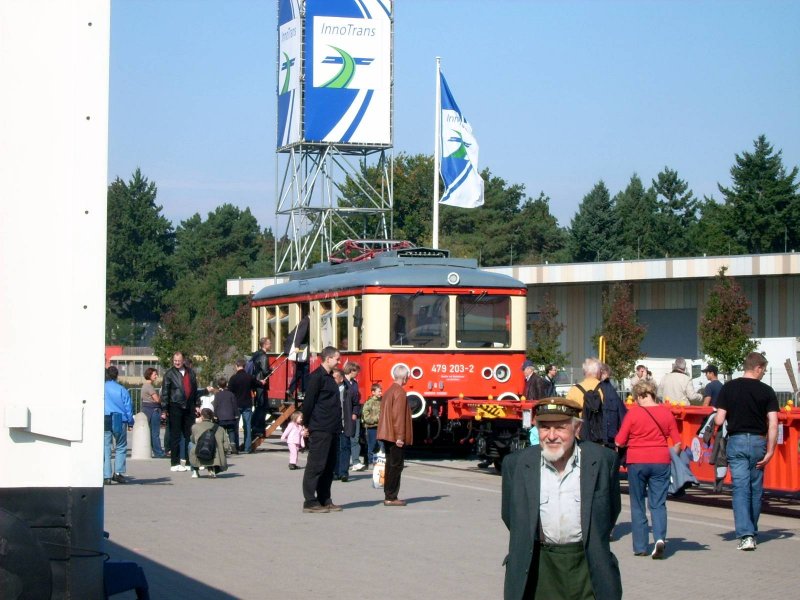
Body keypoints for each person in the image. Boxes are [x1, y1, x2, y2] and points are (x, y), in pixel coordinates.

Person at [501, 397, 622, 600]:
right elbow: (511, 517)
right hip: (539, 566)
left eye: (560, 428)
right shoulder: (516, 464)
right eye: (545, 427)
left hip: (588, 564)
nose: (551, 436)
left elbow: (610, 512)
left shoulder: (602, 461)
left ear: (576, 429)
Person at [714, 351, 779, 551]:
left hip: (737, 441)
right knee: (755, 489)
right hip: (759, 442)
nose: (763, 373)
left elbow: (718, 419)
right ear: (757, 367)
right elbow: (774, 424)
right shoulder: (767, 391)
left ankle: (746, 534)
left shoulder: (729, 387)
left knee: (740, 489)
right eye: (764, 370)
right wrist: (770, 451)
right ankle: (752, 530)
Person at [615, 380, 681, 559]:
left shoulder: (633, 413)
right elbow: (678, 442)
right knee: (658, 503)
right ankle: (660, 538)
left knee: (637, 504)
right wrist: (669, 454)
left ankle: (640, 546)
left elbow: (620, 441)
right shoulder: (666, 413)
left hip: (637, 461)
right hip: (661, 461)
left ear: (639, 396)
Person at [300, 346, 343, 513]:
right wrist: (306, 424)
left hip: (332, 428)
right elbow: (309, 403)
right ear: (328, 359)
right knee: (316, 465)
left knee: (329, 466)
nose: (339, 362)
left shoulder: (330, 378)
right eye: (337, 359)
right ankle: (310, 501)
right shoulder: (316, 377)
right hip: (320, 427)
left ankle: (325, 498)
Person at [377, 364, 413, 506]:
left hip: (387, 433)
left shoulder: (389, 391)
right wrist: (400, 436)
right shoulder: (400, 392)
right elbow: (398, 416)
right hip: (394, 435)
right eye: (408, 376)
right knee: (396, 465)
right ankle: (391, 497)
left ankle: (389, 495)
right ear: (404, 377)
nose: (408, 378)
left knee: (390, 464)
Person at [160, 351, 199, 473]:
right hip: (175, 406)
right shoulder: (169, 374)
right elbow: (165, 392)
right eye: (175, 360)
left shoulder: (191, 373)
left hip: (189, 407)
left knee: (189, 435)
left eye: (179, 360)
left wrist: (197, 405)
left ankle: (188, 461)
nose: (177, 362)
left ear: (183, 360)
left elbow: (195, 390)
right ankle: (175, 462)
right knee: (175, 435)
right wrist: (164, 409)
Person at [104, 366, 134, 485]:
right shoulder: (122, 389)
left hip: (105, 417)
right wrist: (130, 421)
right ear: (117, 375)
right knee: (121, 445)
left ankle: (106, 475)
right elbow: (128, 406)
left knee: (106, 446)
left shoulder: (102, 388)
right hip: (119, 419)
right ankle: (118, 473)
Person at [228, 357, 263, 453]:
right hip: (247, 404)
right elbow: (258, 384)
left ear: (236, 366)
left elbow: (229, 392)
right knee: (247, 426)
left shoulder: (233, 378)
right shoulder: (249, 377)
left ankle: (236, 447)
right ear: (245, 366)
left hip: (236, 405)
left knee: (235, 426)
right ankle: (248, 448)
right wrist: (262, 382)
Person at [189, 408, 231, 478]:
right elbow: (226, 446)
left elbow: (193, 440)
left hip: (200, 455)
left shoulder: (195, 427)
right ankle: (211, 469)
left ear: (202, 416)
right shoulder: (220, 428)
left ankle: (195, 470)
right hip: (216, 458)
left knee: (190, 445)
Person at [598, 362, 627, 449]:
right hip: (611, 435)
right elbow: (622, 416)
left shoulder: (600, 388)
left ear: (604, 373)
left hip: (601, 435)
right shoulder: (612, 390)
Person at [250, 337, 273, 443]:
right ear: (264, 345)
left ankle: (254, 425)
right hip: (261, 383)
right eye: (269, 343)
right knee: (262, 406)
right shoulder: (263, 356)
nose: (270, 344)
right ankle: (258, 428)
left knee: (259, 406)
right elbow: (265, 371)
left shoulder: (256, 354)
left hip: (256, 382)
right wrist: (270, 370)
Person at [140, 367, 166, 458]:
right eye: (155, 374)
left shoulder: (144, 386)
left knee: (151, 432)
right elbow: (157, 399)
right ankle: (159, 452)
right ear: (149, 375)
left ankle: (155, 451)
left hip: (147, 411)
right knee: (155, 433)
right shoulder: (149, 386)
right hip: (154, 411)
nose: (156, 376)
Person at [344, 362, 365, 471]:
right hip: (344, 414)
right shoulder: (343, 382)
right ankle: (344, 462)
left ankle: (356, 461)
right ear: (351, 370)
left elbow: (356, 401)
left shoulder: (354, 383)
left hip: (353, 414)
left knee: (355, 438)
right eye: (356, 371)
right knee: (344, 439)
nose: (357, 374)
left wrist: (355, 413)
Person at [332, 368, 352, 482]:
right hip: (334, 423)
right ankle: (336, 472)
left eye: (335, 377)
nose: (333, 380)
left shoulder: (348, 390)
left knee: (345, 447)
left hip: (345, 423)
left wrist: (354, 414)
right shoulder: (330, 390)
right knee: (335, 448)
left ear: (341, 378)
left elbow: (355, 403)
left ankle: (344, 472)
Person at [285, 312, 310, 399]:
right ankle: (304, 391)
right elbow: (300, 334)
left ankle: (291, 389)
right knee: (305, 371)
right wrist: (296, 346)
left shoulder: (304, 321)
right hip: (303, 351)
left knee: (299, 371)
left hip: (301, 352)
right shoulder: (306, 321)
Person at [211, 376, 239, 451]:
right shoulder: (231, 394)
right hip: (230, 417)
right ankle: (232, 443)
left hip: (221, 418)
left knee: (221, 432)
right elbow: (234, 405)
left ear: (218, 386)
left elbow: (215, 406)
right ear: (227, 384)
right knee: (231, 431)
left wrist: (215, 415)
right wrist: (236, 415)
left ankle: (223, 446)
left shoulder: (217, 395)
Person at [362, 383, 383, 466]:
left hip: (381, 427)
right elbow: (366, 416)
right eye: (379, 391)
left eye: (381, 391)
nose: (380, 393)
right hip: (372, 427)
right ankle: (371, 461)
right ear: (373, 392)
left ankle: (380, 460)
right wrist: (376, 419)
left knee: (381, 445)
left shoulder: (383, 402)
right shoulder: (369, 403)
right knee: (372, 444)